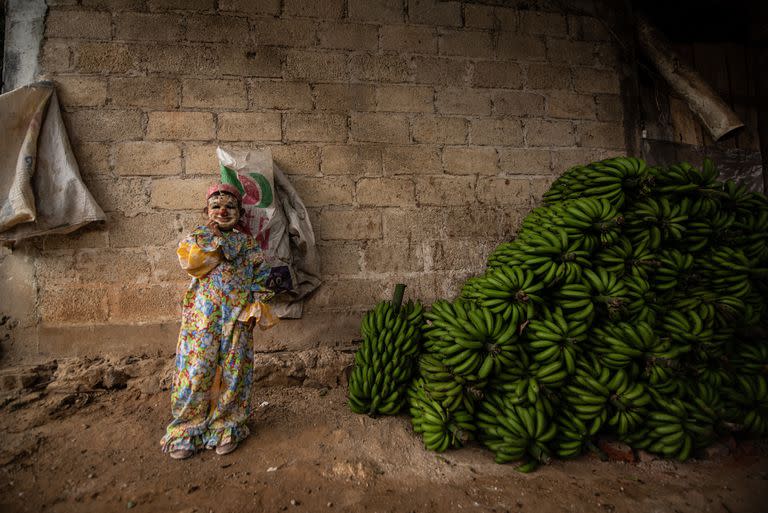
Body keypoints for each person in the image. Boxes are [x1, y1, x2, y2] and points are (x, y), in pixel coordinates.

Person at [161, 182, 277, 460]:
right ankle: (187, 429)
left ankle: (227, 427)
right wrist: (214, 239)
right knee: (197, 370)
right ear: (207, 211)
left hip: (237, 316)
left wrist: (254, 309)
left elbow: (261, 278)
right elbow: (193, 265)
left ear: (239, 212)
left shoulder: (248, 244)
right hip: (203, 318)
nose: (223, 211)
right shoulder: (197, 238)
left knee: (234, 373)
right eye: (216, 206)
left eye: (230, 206)